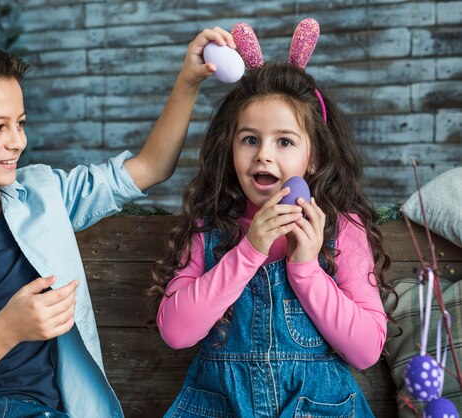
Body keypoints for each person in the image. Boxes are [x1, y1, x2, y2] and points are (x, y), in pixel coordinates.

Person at [0, 27, 237, 418]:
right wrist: (7, 330)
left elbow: (149, 168)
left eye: (19, 123)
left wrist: (189, 81)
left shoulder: (43, 194)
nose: (17, 141)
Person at [149, 21, 393, 418]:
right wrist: (248, 252)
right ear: (230, 150)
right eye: (250, 139)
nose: (264, 155)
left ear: (313, 156)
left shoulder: (342, 229)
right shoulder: (210, 229)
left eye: (284, 141)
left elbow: (366, 351)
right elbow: (176, 332)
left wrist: (306, 268)